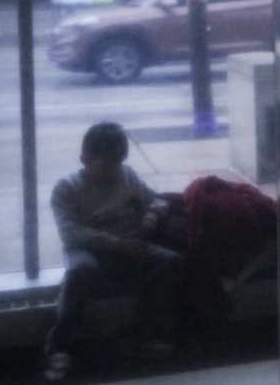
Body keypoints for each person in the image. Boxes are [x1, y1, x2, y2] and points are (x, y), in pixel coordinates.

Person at [45, 123, 183, 382]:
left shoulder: (127, 175)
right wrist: (115, 243)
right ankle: (60, 343)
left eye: (117, 165)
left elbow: (157, 198)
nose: (113, 173)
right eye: (106, 166)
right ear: (84, 159)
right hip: (88, 248)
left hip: (128, 244)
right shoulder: (67, 188)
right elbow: (71, 233)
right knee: (80, 272)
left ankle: (142, 331)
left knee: (170, 262)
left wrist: (152, 214)